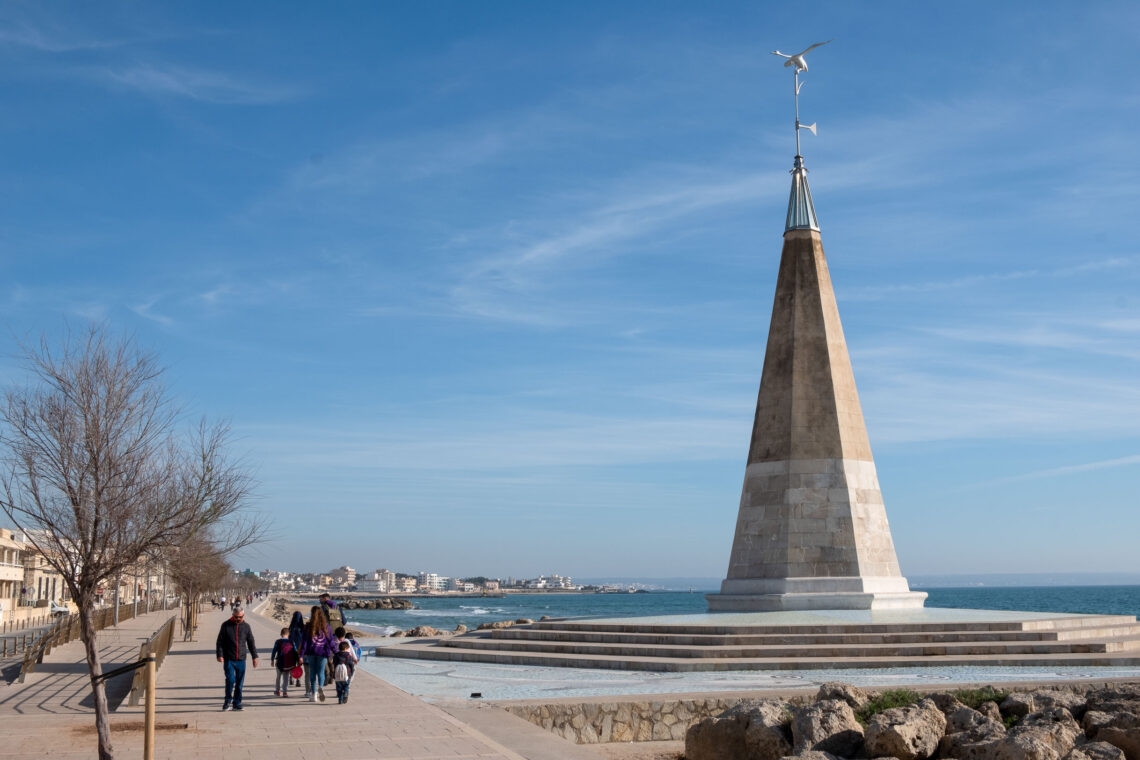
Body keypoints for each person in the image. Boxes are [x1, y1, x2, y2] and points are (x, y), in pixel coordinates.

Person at [215, 605, 258, 711]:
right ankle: (227, 701)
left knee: (239, 683)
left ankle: (237, 703)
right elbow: (219, 642)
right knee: (230, 680)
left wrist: (254, 657)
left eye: (240, 617)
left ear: (243, 615)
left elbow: (251, 642)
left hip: (241, 659)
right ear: (233, 615)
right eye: (236, 617)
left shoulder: (246, 627)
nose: (238, 619)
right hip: (229, 658)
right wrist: (219, 655)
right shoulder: (225, 625)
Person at [300, 605, 335, 702]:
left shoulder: (308, 626)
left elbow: (304, 642)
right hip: (323, 653)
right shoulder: (326, 626)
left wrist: (301, 655)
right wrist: (335, 651)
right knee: (320, 672)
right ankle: (321, 687)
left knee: (312, 673)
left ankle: (314, 694)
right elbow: (330, 641)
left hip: (311, 653)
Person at [269, 627, 297, 697]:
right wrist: (297, 661)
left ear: (281, 634)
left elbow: (274, 651)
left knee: (278, 677)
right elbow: (296, 651)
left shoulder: (278, 641)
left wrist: (272, 660)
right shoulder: (291, 641)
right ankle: (285, 692)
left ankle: (278, 691)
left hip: (279, 663)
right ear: (288, 634)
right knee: (286, 678)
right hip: (288, 663)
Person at [287, 610, 306, 691]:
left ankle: (291, 677)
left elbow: (288, 638)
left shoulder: (291, 627)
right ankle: (298, 679)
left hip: (291, 649)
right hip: (299, 649)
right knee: (299, 665)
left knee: (292, 664)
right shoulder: (303, 628)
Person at [332, 640, 355, 704]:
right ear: (345, 649)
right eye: (348, 648)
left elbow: (334, 665)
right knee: (346, 686)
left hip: (338, 675)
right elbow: (351, 666)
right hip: (347, 675)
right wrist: (351, 673)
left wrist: (333, 674)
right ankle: (345, 693)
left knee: (339, 688)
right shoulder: (348, 656)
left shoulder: (336, 655)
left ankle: (340, 699)